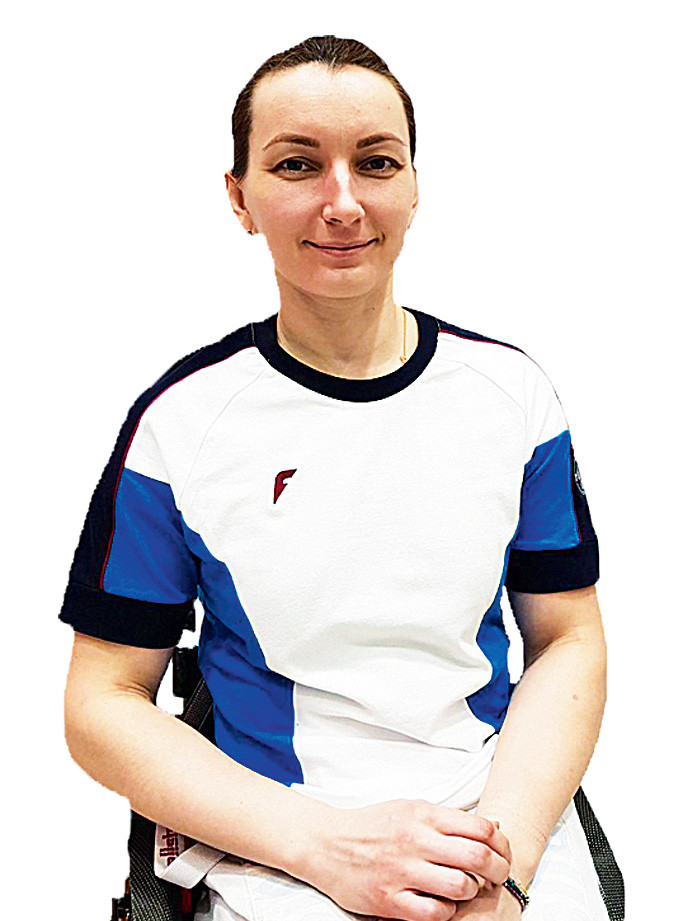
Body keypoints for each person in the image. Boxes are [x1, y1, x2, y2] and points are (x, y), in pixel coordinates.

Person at [60, 35, 609, 921]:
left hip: (489, 812)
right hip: (276, 839)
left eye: (377, 162)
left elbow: (568, 639)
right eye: (298, 164)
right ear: (239, 197)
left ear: (415, 186)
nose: (343, 202)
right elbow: (101, 699)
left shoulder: (514, 397)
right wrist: (326, 847)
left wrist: (503, 865)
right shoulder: (180, 426)